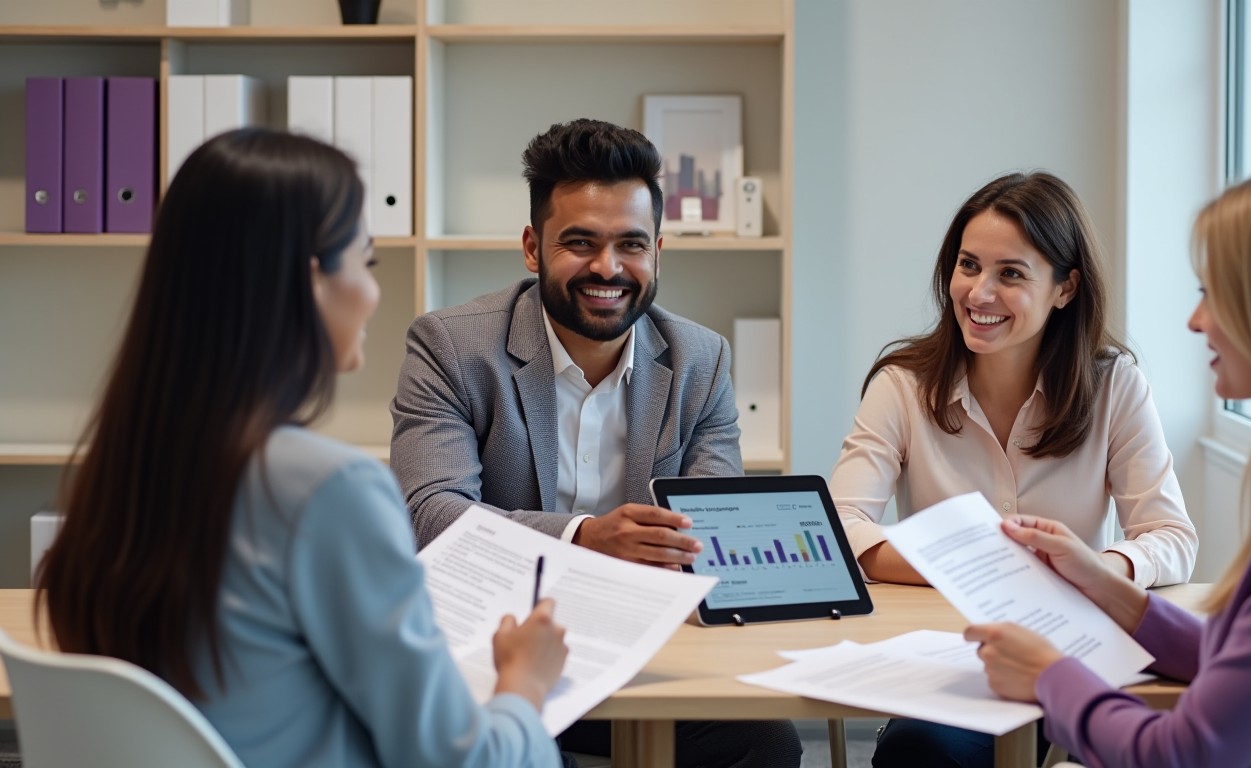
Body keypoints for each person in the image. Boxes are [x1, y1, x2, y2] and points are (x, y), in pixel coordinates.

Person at [34, 128, 569, 768]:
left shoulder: (119, 473)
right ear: (311, 280)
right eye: (365, 263)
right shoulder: (325, 489)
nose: (373, 293)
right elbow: (465, 762)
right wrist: (524, 683)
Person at [391, 118, 802, 767]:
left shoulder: (702, 361)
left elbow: (713, 530)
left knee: (765, 741)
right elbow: (430, 517)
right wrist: (584, 537)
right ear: (532, 247)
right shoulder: (451, 347)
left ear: (658, 252)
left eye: (631, 245)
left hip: (646, 648)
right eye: (579, 242)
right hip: (492, 653)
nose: (607, 268)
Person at [968, 163, 1251, 766]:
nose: (1196, 321)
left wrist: (1050, 676)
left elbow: (1183, 753)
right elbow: (1239, 667)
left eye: (1214, 294)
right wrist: (1102, 582)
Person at [826, 171, 1199, 766]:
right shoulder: (901, 384)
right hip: (949, 665)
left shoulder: (1114, 386)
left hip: (1071, 659)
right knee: (920, 753)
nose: (979, 293)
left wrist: (1095, 569)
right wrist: (976, 568)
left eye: (1011, 274)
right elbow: (839, 525)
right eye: (968, 265)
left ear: (1065, 289)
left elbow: (1172, 537)